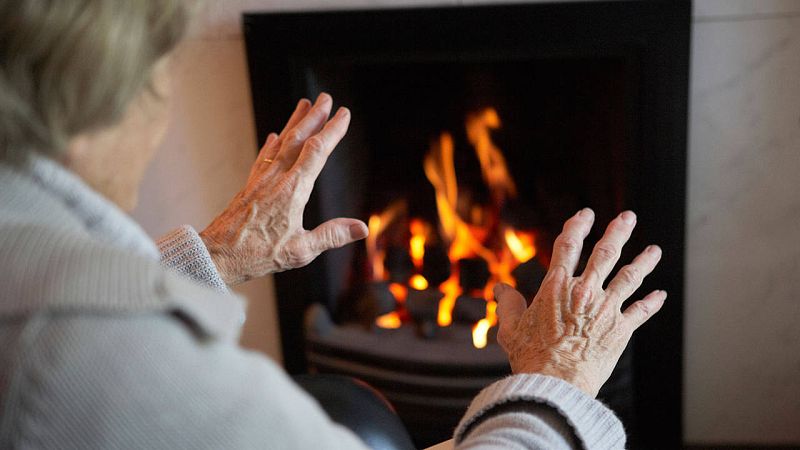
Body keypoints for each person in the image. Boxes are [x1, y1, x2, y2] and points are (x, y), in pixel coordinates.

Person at [0, 1, 666, 449]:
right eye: (158, 80)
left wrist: (215, 258)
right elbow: (103, 348)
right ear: (85, 121)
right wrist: (557, 380)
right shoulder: (100, 357)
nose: (164, 107)